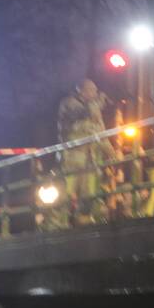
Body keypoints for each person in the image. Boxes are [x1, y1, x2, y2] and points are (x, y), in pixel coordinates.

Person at [56, 79, 113, 225]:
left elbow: (101, 134)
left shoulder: (95, 110)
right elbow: (83, 114)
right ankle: (60, 224)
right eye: (91, 90)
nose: (94, 93)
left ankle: (84, 224)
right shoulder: (69, 104)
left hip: (89, 159)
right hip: (71, 158)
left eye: (95, 90)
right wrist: (98, 102)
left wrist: (111, 153)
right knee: (65, 195)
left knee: (88, 196)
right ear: (81, 91)